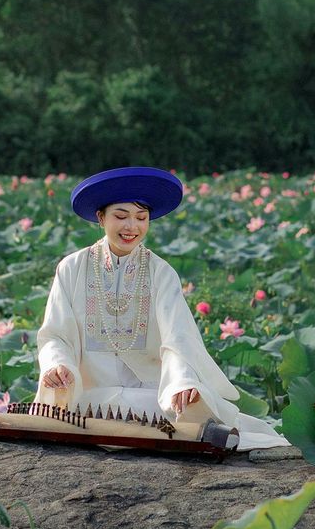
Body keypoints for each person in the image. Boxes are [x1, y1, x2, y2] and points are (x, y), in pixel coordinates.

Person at [37, 166, 290, 451]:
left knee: (187, 413)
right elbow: (55, 335)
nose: (131, 227)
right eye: (121, 216)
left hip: (152, 394)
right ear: (101, 217)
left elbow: (178, 338)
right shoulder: (71, 268)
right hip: (90, 395)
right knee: (79, 414)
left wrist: (181, 382)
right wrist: (57, 365)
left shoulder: (161, 272)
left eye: (141, 218)